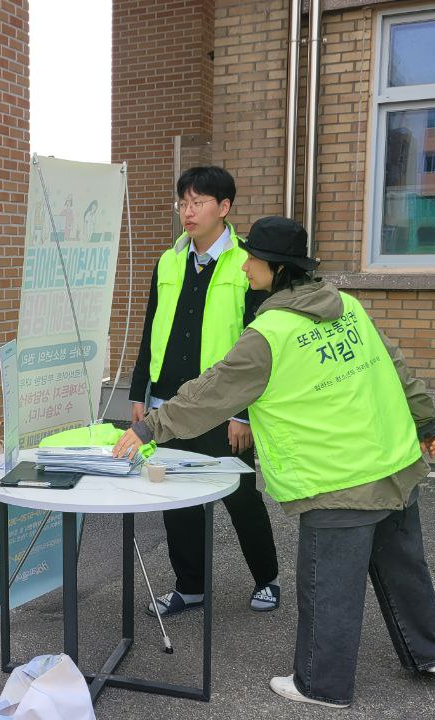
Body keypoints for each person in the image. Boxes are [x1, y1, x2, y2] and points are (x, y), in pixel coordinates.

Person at [113, 216, 435, 709]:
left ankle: (321, 685)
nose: (245, 266)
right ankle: (429, 654)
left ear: (275, 269)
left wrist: (148, 427)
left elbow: (210, 393)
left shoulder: (269, 333)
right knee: (404, 568)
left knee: (328, 587)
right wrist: (426, 423)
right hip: (394, 460)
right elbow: (397, 369)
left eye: (253, 259)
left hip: (340, 479)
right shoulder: (348, 308)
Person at [128, 165, 280, 616]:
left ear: (224, 207)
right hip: (168, 403)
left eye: (197, 202)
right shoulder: (169, 260)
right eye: (182, 202)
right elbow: (150, 327)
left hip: (223, 403)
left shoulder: (247, 263)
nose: (187, 211)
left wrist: (245, 413)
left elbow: (262, 343)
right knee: (175, 497)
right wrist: (140, 390)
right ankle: (190, 585)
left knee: (239, 494)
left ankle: (267, 577)